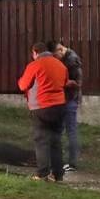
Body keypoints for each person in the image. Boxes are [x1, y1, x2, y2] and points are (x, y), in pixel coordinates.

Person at [17, 42, 67, 181]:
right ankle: (58, 174)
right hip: (60, 106)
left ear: (35, 52)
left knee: (41, 140)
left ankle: (43, 173)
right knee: (56, 141)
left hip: (42, 106)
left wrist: (20, 80)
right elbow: (65, 82)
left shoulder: (35, 65)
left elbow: (23, 85)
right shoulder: (60, 65)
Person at [49, 40, 83, 172]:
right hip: (66, 99)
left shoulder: (71, 60)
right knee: (62, 130)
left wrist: (61, 82)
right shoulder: (68, 58)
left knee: (71, 131)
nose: (55, 59)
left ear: (60, 50)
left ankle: (72, 163)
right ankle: (59, 161)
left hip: (70, 100)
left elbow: (76, 83)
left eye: (55, 56)